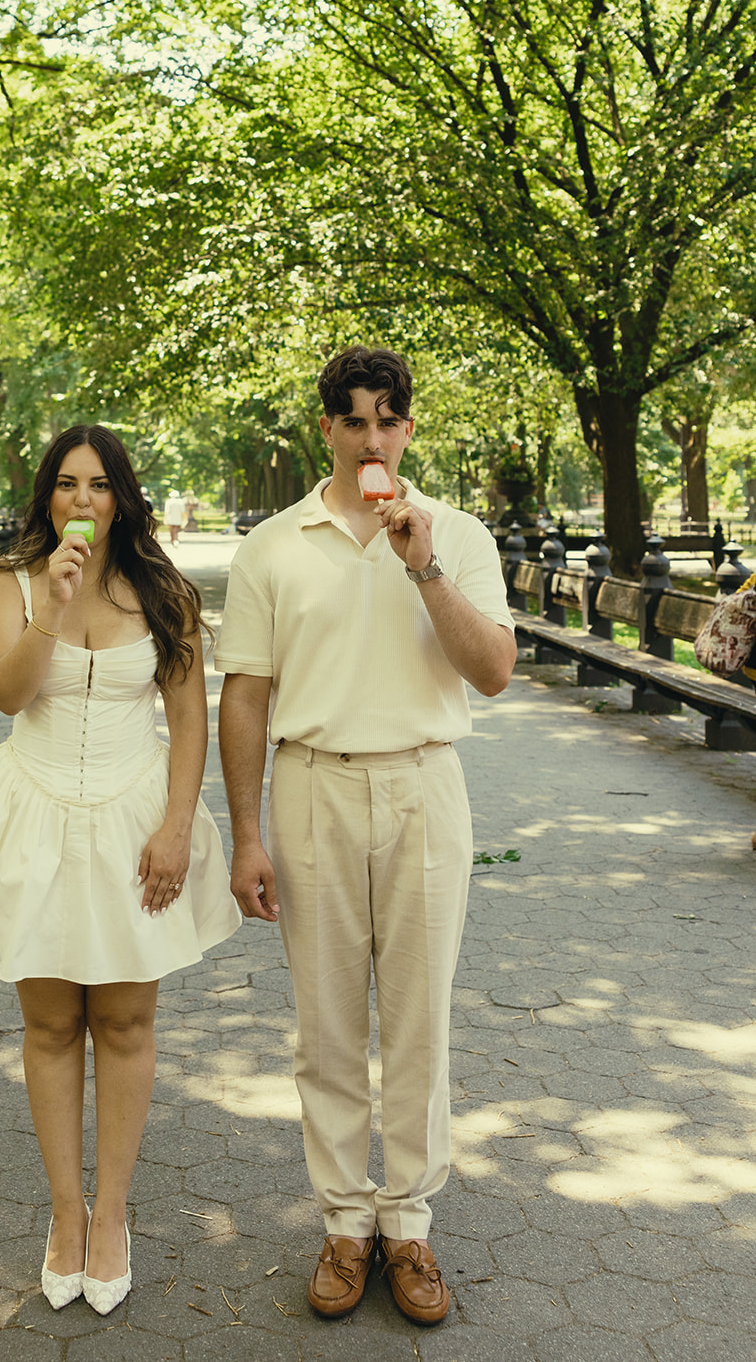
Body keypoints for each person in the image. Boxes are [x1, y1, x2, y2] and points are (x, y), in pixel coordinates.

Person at [215, 346, 515, 1328]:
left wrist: (419, 563)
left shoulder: (456, 535)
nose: (372, 437)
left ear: (408, 428)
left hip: (425, 782)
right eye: (353, 419)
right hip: (312, 787)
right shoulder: (272, 545)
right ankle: (346, 1223)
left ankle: (409, 1220)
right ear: (326, 430)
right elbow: (245, 695)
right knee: (329, 1023)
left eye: (388, 418)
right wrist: (243, 835)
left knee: (419, 1018)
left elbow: (495, 670)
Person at [0, 425, 240, 1315]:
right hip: (35, 814)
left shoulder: (163, 590)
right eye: (66, 485)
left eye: (99, 485)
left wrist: (178, 827)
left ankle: (114, 1217)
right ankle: (66, 1216)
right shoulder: (11, 580)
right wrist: (52, 605)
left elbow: (188, 721)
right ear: (46, 497)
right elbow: (7, 694)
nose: (82, 501)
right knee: (54, 1022)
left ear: (122, 497)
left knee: (129, 1020)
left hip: (136, 816)